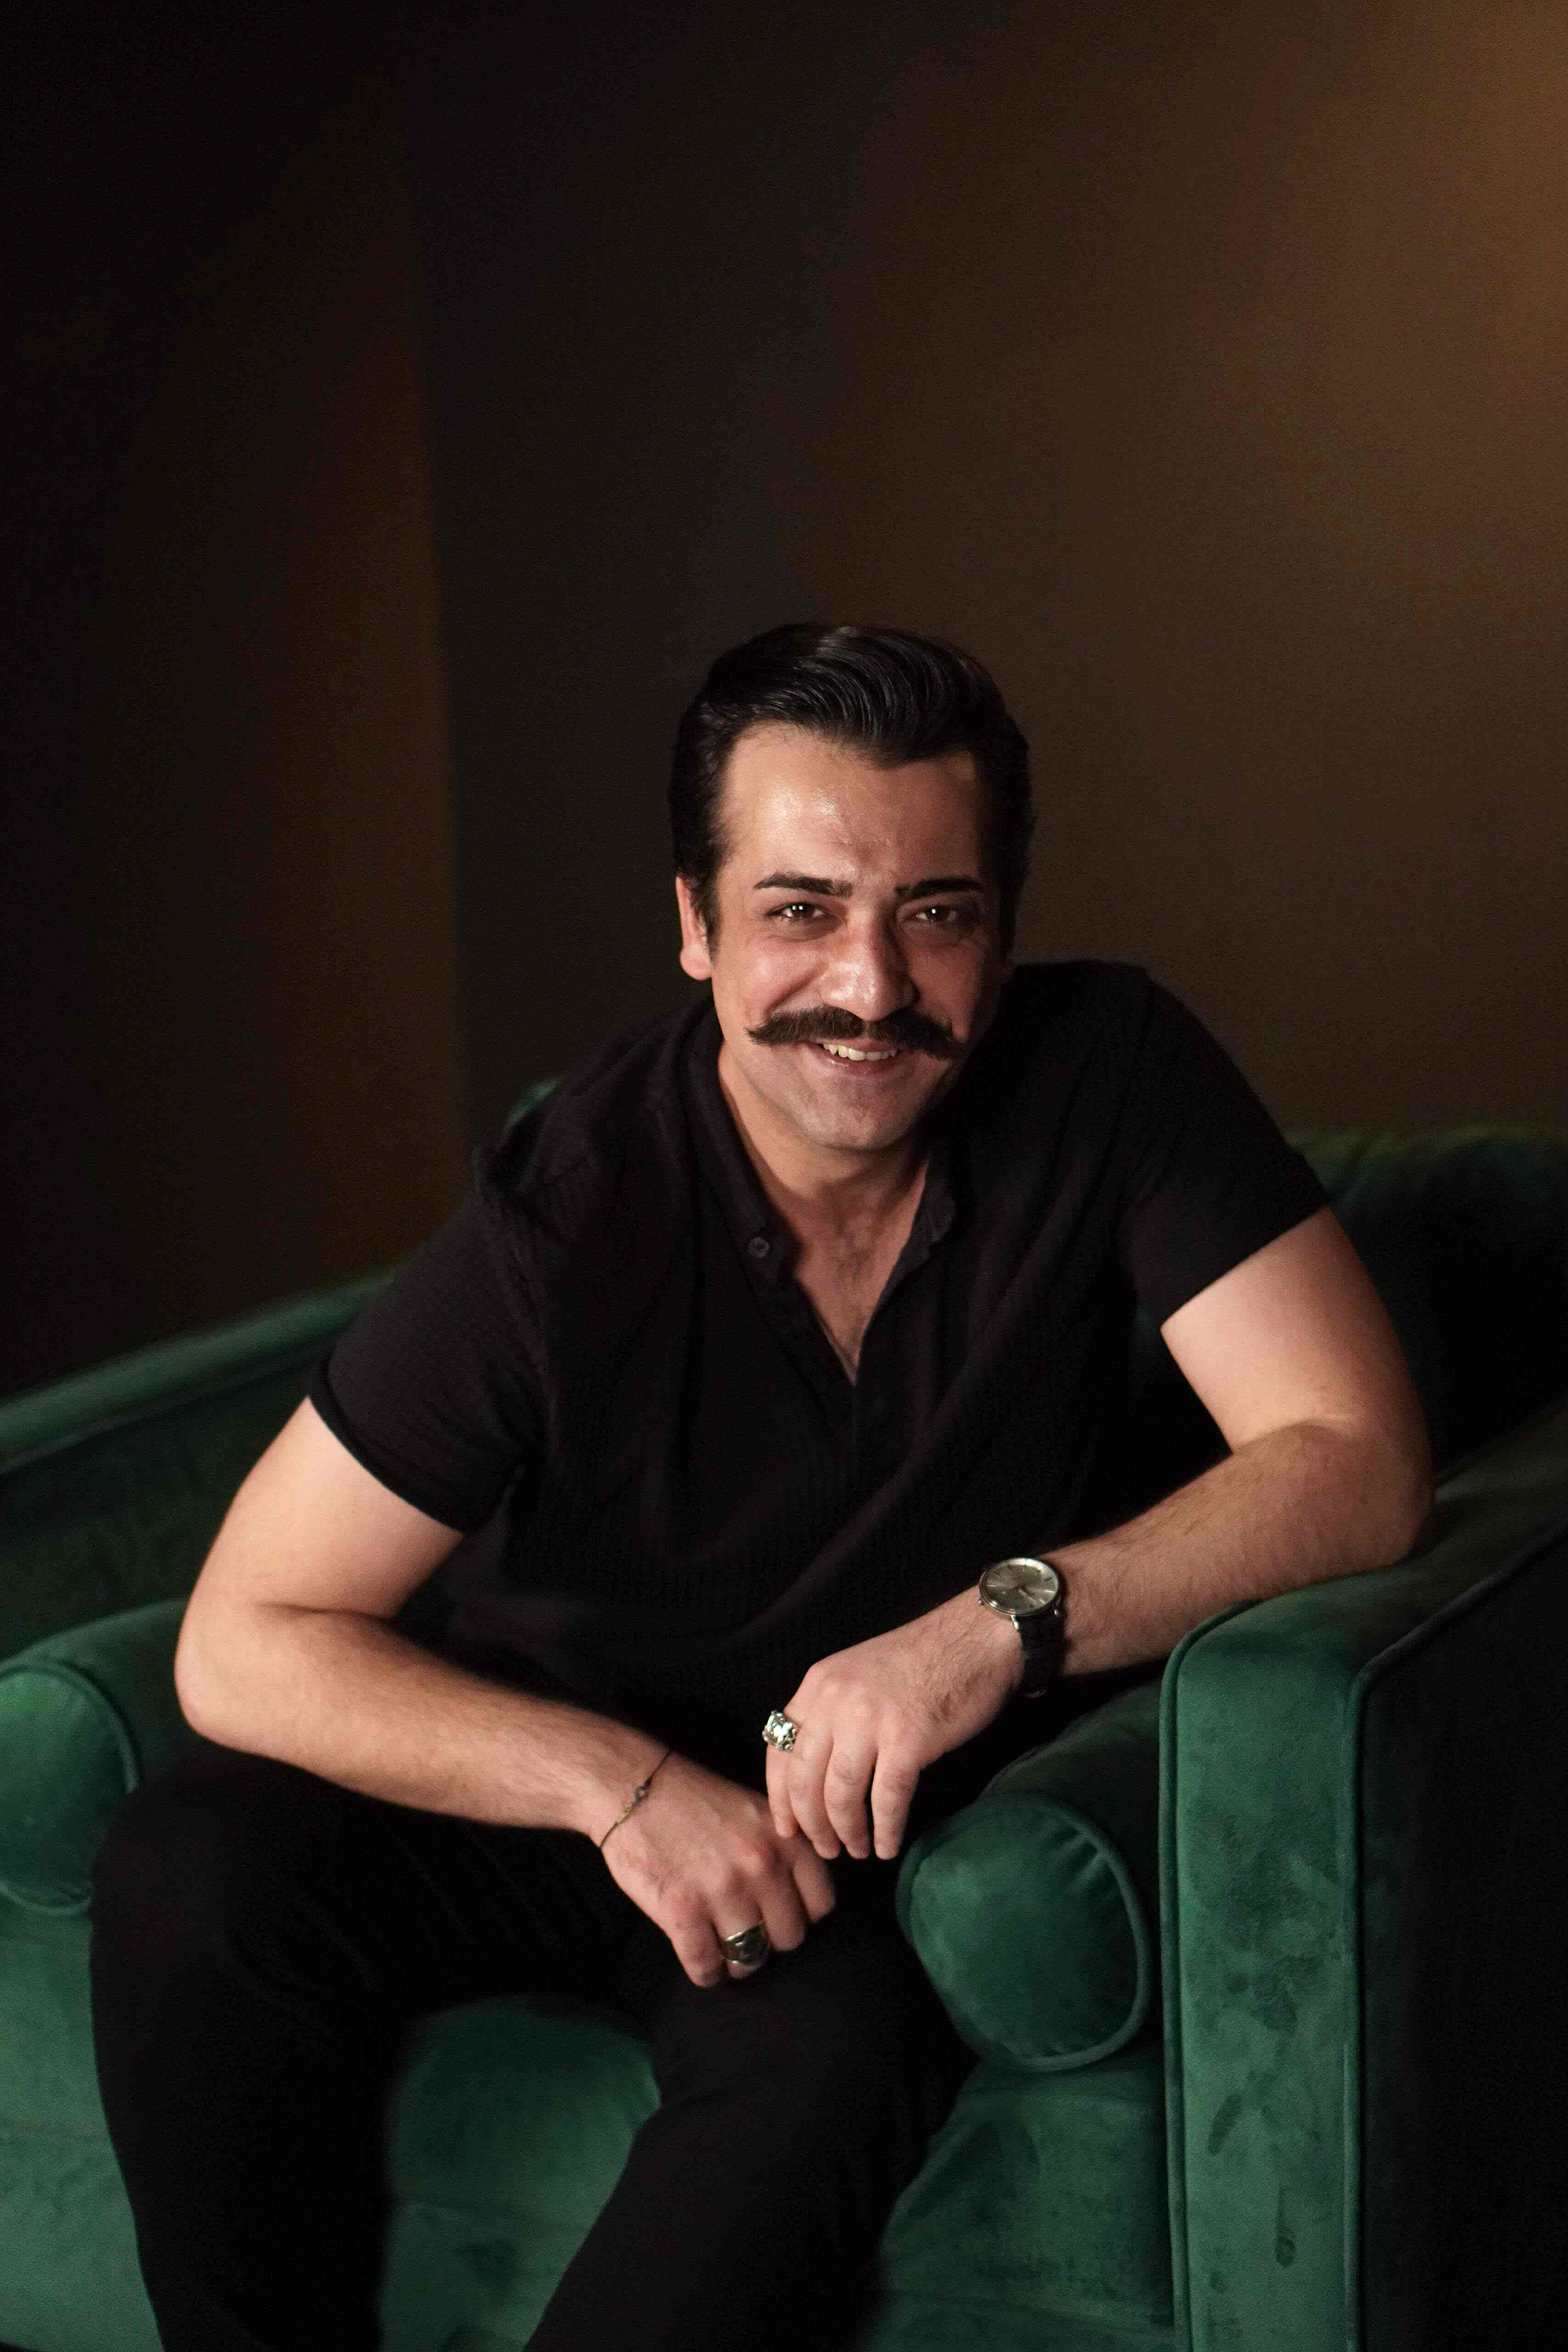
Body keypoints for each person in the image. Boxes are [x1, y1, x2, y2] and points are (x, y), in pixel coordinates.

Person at [88, 623, 1432, 2352]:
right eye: (801, 910)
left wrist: (996, 1624)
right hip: (556, 1778)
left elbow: (1356, 1457)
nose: (871, 989)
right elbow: (244, 1636)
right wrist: (620, 1789)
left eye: (934, 912)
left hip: (844, 1845)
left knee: (836, 2063)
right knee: (187, 1871)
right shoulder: (567, 1213)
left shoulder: (1114, 1076)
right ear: (697, 926)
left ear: (1001, 930)